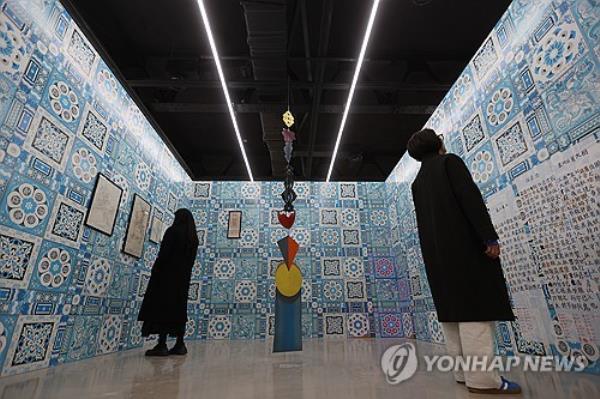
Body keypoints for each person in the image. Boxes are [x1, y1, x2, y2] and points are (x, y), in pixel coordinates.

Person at [407, 128, 521, 394]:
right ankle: (483, 380)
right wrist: (489, 237)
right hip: (464, 251)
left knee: (452, 314)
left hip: (437, 257)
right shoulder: (449, 163)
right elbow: (470, 200)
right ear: (437, 144)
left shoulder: (417, 182)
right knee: (475, 312)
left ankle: (462, 373)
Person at [138, 208, 199, 356]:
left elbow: (164, 254)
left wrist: (156, 270)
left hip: (166, 276)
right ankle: (180, 343)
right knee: (178, 309)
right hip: (183, 279)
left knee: (162, 307)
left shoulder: (172, 232)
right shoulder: (193, 238)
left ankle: (162, 343)